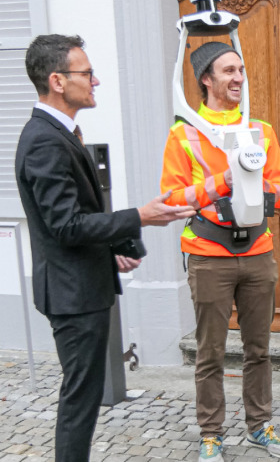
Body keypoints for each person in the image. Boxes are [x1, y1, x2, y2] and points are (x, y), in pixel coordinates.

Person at [14, 34, 196, 462]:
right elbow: (64, 225)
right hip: (72, 295)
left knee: (86, 394)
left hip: (82, 285)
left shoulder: (61, 133)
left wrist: (113, 246)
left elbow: (72, 216)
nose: (95, 82)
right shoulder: (43, 140)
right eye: (87, 73)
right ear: (57, 80)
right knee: (80, 399)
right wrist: (139, 216)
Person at [160, 41, 280, 461]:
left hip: (257, 251)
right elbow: (171, 197)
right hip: (208, 255)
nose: (239, 78)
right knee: (210, 352)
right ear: (206, 79)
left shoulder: (261, 131)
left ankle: (260, 425)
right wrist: (222, 184)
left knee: (259, 349)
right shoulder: (185, 134)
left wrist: (259, 188)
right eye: (228, 71)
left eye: (241, 70)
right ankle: (211, 434)